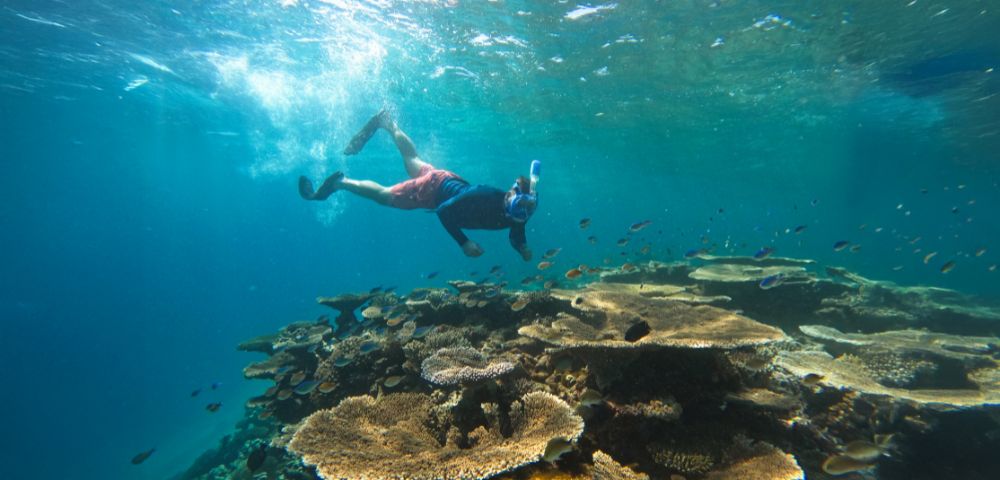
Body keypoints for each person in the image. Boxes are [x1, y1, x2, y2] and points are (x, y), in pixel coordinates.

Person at [298, 110, 536, 260]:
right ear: (509, 196)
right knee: (385, 195)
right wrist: (464, 243)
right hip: (433, 191)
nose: (519, 216)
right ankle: (341, 183)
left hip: (444, 177)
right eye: (517, 209)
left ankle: (388, 123)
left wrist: (522, 248)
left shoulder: (519, 213)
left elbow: (516, 231)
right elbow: (444, 211)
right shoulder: (485, 194)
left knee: (413, 161)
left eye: (524, 212)